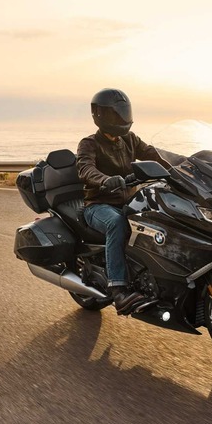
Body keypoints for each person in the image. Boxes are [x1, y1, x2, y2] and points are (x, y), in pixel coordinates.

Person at [76, 88, 170, 315]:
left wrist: (187, 164)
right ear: (100, 115)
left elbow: (155, 155)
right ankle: (118, 289)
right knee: (117, 223)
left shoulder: (130, 139)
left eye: (123, 113)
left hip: (129, 201)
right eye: (115, 114)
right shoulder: (89, 143)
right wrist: (105, 180)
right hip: (98, 205)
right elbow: (84, 168)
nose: (120, 119)